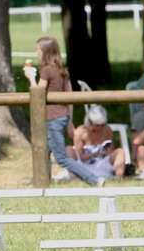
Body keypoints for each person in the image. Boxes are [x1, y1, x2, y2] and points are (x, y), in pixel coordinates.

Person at [23, 36, 105, 187]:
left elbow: (38, 93)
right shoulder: (63, 71)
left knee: (61, 157)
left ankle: (94, 179)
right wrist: (69, 121)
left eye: (38, 49)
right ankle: (41, 183)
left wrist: (30, 78)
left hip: (52, 118)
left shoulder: (47, 70)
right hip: (62, 117)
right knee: (44, 151)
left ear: (45, 52)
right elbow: (69, 99)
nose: (36, 53)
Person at [66, 105, 127, 180]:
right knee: (68, 149)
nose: (100, 128)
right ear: (90, 122)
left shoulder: (107, 130)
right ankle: (75, 178)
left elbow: (111, 150)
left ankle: (118, 177)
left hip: (102, 162)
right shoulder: (80, 132)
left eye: (103, 125)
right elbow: (80, 156)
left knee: (120, 151)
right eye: (97, 125)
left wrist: (107, 151)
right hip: (84, 163)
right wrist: (93, 154)